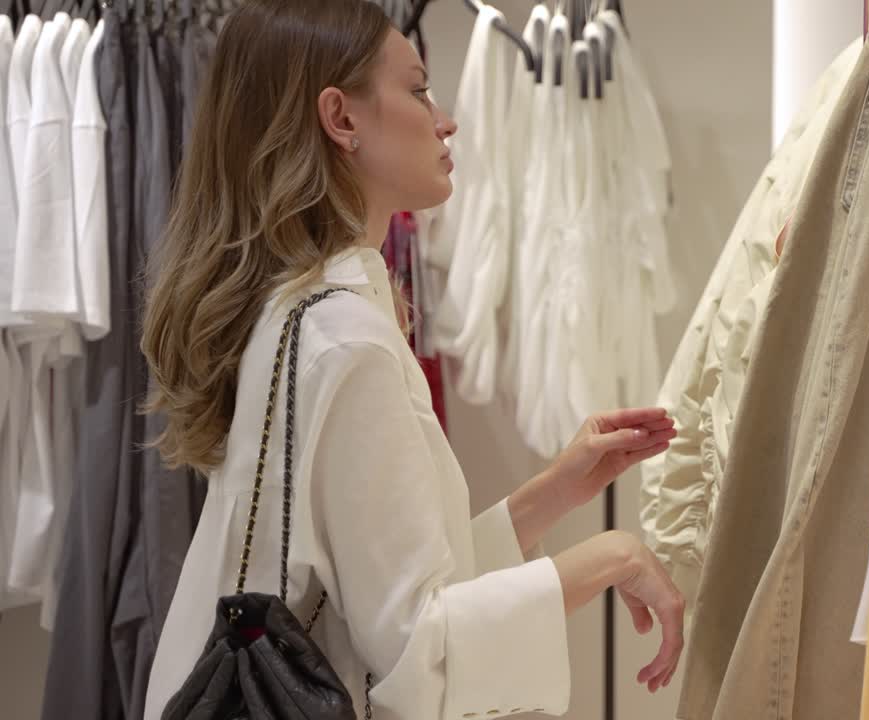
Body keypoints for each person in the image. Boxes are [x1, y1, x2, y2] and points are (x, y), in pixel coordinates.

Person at [139, 1, 685, 718]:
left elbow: (380, 586)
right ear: (342, 119)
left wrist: (554, 491)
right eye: (420, 90)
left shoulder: (306, 309)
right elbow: (415, 652)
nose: (445, 118)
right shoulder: (345, 335)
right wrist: (611, 557)